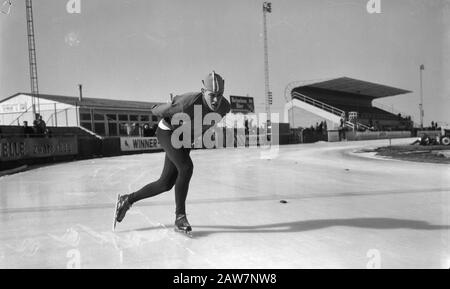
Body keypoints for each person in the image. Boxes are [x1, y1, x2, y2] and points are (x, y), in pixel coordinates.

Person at [113, 71, 231, 233]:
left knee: (165, 183)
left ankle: (127, 200)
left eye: (220, 95)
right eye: (212, 95)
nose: (216, 100)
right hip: (168, 131)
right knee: (186, 168)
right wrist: (163, 106)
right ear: (203, 91)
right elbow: (157, 110)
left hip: (184, 139)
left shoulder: (225, 107)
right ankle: (180, 216)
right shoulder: (187, 102)